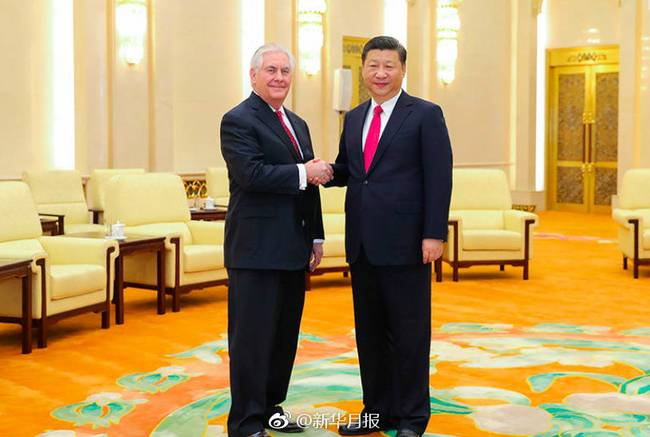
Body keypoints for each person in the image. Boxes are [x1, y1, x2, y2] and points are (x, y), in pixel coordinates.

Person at [325, 36, 453, 437]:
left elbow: (439, 177)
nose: (380, 73)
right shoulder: (354, 118)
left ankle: (412, 418)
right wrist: (318, 172)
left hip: (407, 244)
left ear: (403, 69)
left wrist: (433, 233)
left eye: (389, 66)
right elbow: (350, 170)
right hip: (363, 244)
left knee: (409, 335)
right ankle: (377, 412)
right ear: (363, 69)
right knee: (370, 335)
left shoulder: (425, 114)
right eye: (373, 66)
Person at [220, 43, 333, 437]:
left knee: (283, 338)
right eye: (271, 70)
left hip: (292, 248)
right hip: (255, 251)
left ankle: (270, 408)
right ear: (253, 75)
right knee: (251, 341)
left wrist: (315, 235)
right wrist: (304, 172)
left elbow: (310, 185)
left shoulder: (297, 123)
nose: (279, 77)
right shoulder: (237, 120)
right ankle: (246, 423)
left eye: (285, 71)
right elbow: (251, 175)